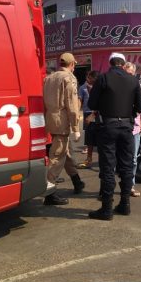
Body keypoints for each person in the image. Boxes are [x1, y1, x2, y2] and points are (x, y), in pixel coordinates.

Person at [87, 52, 141, 220]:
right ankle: (125, 205)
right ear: (123, 64)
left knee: (108, 167)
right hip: (127, 128)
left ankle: (107, 209)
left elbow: (91, 103)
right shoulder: (133, 80)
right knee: (126, 166)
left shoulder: (103, 78)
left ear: (110, 63)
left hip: (108, 127)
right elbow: (140, 107)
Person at [42, 52, 86, 205]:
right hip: (62, 122)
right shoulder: (69, 78)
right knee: (57, 157)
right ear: (72, 64)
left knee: (65, 153)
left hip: (51, 119)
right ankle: (50, 193)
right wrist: (76, 127)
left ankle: (77, 181)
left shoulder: (49, 78)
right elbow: (72, 105)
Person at [124, 62, 141, 197]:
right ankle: (108, 188)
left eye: (131, 74)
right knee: (115, 159)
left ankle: (130, 186)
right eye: (127, 73)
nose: (129, 76)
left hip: (135, 127)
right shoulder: (118, 85)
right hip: (120, 126)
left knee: (133, 159)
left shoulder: (137, 85)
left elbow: (140, 104)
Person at [77, 70, 98, 168]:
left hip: (98, 114)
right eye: (87, 77)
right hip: (87, 113)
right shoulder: (82, 87)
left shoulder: (100, 87)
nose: (87, 79)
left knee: (100, 137)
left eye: (89, 77)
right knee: (89, 138)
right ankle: (89, 159)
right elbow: (80, 100)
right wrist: (77, 112)